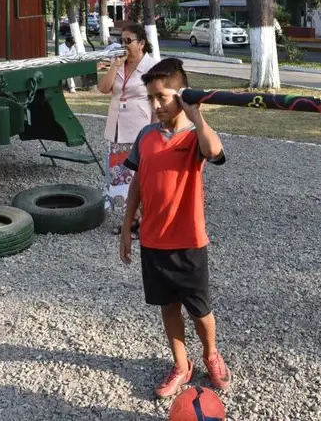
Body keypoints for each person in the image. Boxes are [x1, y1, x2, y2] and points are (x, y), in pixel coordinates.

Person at [119, 58, 232, 397]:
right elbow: (138, 180)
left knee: (200, 309)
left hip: (188, 241)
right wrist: (127, 226)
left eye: (162, 97)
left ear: (180, 96)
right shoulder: (146, 135)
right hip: (153, 240)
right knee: (168, 307)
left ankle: (211, 354)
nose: (155, 106)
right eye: (150, 98)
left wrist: (196, 113)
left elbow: (215, 152)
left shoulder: (194, 136)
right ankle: (182, 364)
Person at [97, 23, 158, 233]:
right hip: (116, 128)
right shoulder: (116, 63)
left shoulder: (151, 67)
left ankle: (146, 222)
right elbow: (103, 88)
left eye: (128, 41)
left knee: (141, 177)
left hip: (139, 127)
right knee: (119, 176)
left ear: (141, 43)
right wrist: (114, 66)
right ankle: (131, 220)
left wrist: (155, 130)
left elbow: (157, 101)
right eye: (121, 40)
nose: (124, 45)